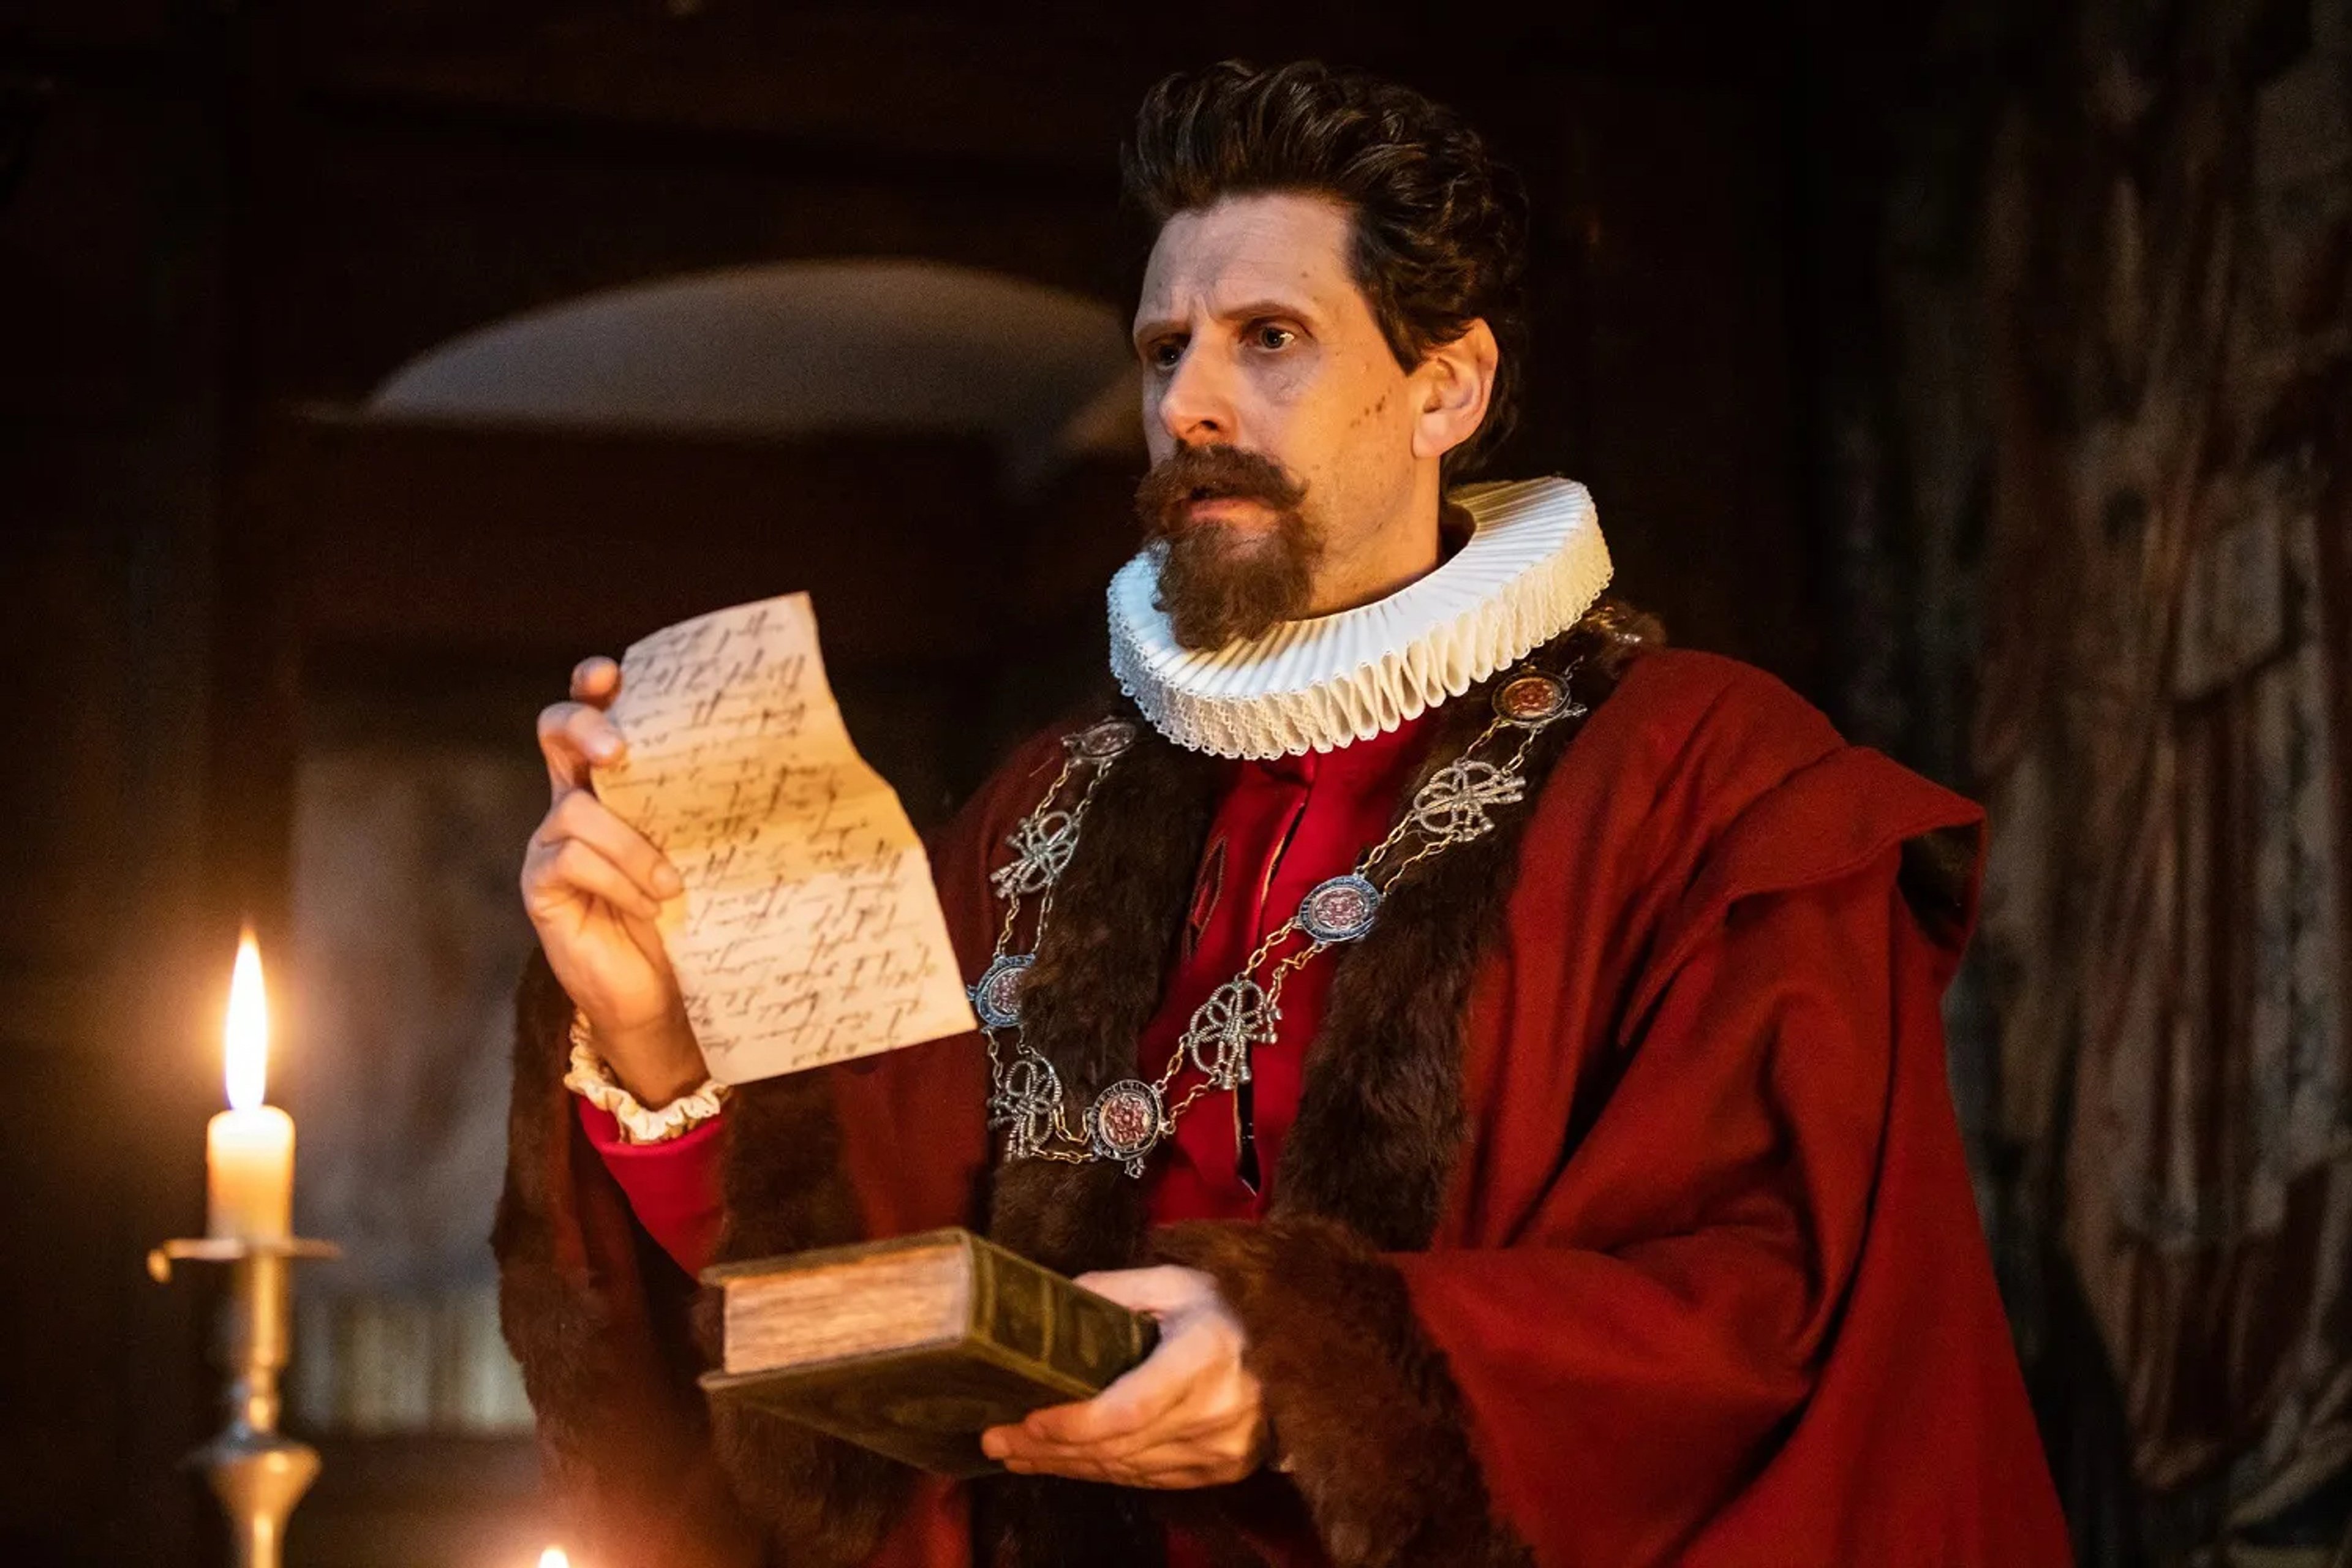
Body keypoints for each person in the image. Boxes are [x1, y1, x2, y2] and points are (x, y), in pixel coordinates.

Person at [494, 58, 2072, 1568]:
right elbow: (859, 1299)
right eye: (1163, 346)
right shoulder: (1041, 803)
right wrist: (661, 1043)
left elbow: (1773, 1307)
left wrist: (1316, 1372)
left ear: (1443, 387)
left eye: (1267, 337)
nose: (1189, 401)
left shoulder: (1709, 784)